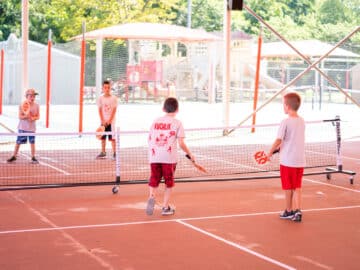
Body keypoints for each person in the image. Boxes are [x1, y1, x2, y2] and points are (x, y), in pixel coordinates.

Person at [146, 97, 194, 216]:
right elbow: (181, 143)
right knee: (168, 182)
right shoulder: (177, 123)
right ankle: (165, 207)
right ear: (177, 109)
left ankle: (152, 196)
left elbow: (149, 138)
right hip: (169, 158)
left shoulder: (156, 121)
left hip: (154, 156)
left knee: (154, 178)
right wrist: (190, 154)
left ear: (163, 108)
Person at [268, 92, 305, 222]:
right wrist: (279, 149)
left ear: (287, 106)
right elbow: (291, 140)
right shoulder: (301, 121)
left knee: (288, 187)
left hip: (288, 161)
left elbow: (279, 139)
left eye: (283, 104)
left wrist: (269, 152)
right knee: (297, 186)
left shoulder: (285, 122)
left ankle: (289, 211)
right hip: (299, 160)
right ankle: (298, 211)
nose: (283, 107)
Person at [7, 88, 40, 164]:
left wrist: (33, 118)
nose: (33, 98)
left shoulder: (37, 105)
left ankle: (33, 157)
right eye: (31, 96)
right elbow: (20, 117)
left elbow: (38, 116)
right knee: (18, 143)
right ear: (26, 96)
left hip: (32, 129)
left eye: (34, 96)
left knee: (32, 143)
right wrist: (26, 116)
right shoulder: (22, 105)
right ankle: (14, 156)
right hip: (22, 128)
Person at [96, 80, 118, 160]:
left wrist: (110, 120)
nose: (107, 89)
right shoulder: (100, 98)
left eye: (108, 87)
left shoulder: (114, 98)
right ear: (103, 88)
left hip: (111, 122)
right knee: (102, 138)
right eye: (105, 87)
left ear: (110, 88)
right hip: (103, 122)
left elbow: (114, 110)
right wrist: (102, 120)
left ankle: (115, 153)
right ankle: (103, 152)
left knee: (112, 138)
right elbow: (100, 109)